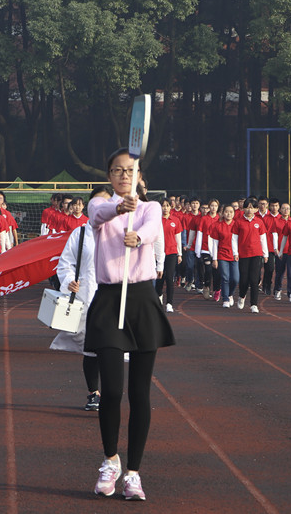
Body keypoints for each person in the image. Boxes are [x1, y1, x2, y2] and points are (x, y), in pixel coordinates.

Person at [87, 148, 174, 501]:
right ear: (109, 175)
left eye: (130, 170)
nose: (124, 175)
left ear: (139, 175)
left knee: (140, 393)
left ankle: (133, 473)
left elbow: (152, 228)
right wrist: (119, 209)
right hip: (109, 301)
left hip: (141, 300)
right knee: (111, 391)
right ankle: (110, 461)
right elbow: (99, 214)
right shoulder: (100, 205)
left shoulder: (150, 208)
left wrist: (139, 237)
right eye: (117, 170)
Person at [50, 186, 111, 411]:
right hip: (88, 296)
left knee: (111, 348)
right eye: (97, 202)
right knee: (90, 348)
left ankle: (111, 393)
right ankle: (94, 393)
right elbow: (65, 263)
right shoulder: (81, 233)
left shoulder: (121, 232)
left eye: (106, 203)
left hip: (113, 297)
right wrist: (69, 281)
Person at [232, 197, 267, 313]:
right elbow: (234, 239)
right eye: (247, 207)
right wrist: (235, 253)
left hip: (256, 253)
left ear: (256, 209)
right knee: (244, 280)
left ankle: (254, 304)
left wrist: (265, 254)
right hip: (243, 254)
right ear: (243, 209)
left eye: (252, 208)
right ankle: (242, 296)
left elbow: (263, 238)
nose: (249, 210)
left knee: (254, 280)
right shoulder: (238, 222)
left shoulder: (259, 222)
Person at [155, 199, 182, 313]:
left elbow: (178, 238)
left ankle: (169, 303)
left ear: (170, 207)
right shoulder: (156, 220)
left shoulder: (175, 220)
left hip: (172, 252)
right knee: (159, 277)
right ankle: (159, 296)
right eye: (163, 206)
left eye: (167, 206)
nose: (165, 208)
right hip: (158, 252)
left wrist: (180, 254)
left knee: (170, 277)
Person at [210, 204, 238, 308]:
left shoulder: (237, 225)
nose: (229, 214)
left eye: (231, 212)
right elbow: (215, 243)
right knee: (225, 277)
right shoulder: (218, 226)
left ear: (234, 213)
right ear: (222, 213)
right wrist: (215, 259)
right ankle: (225, 299)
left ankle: (230, 294)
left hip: (235, 255)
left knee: (235, 279)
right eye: (226, 212)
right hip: (222, 255)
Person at [272, 201, 290, 300]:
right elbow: (275, 236)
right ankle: (277, 290)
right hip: (281, 251)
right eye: (283, 208)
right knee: (280, 272)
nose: (286, 210)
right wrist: (276, 249)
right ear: (280, 210)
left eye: (287, 208)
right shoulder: (276, 221)